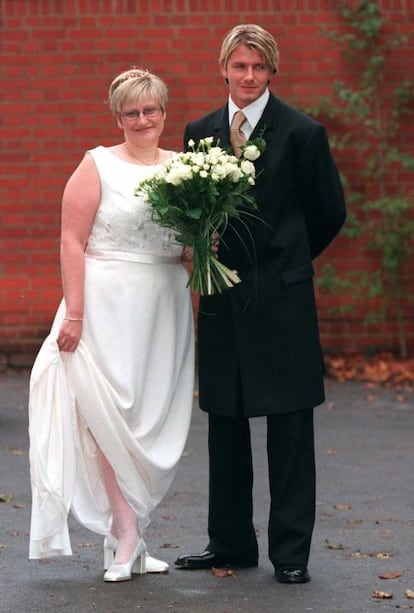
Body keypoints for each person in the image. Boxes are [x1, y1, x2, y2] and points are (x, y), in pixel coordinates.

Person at [174, 24, 346, 583]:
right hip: (222, 298)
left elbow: (329, 212)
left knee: (291, 430)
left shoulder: (302, 132)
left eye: (259, 67)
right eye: (239, 66)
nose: (249, 77)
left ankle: (290, 555)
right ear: (223, 67)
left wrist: (289, 259)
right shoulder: (199, 132)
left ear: (272, 71)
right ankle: (229, 544)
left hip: (284, 299)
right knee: (225, 422)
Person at [28, 68, 195, 582]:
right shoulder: (96, 164)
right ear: (117, 116)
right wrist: (74, 312)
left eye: (151, 110)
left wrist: (200, 249)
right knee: (106, 417)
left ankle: (131, 536)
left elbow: (188, 248)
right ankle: (125, 533)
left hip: (164, 309)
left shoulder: (186, 168)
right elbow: (71, 241)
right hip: (104, 305)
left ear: (164, 112)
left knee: (149, 420)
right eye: (131, 112)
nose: (142, 120)